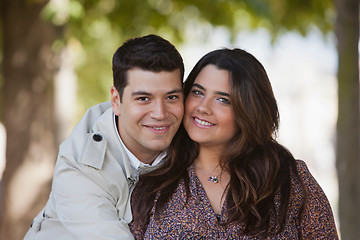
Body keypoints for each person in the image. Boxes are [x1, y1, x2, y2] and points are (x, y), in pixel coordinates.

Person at [130, 48, 339, 239]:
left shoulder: (291, 179)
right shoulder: (153, 182)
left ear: (249, 110)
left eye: (223, 99)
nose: (203, 107)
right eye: (198, 92)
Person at [23, 34, 184, 240]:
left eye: (171, 97)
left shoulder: (190, 143)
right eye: (143, 99)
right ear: (116, 100)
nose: (160, 113)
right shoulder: (80, 169)